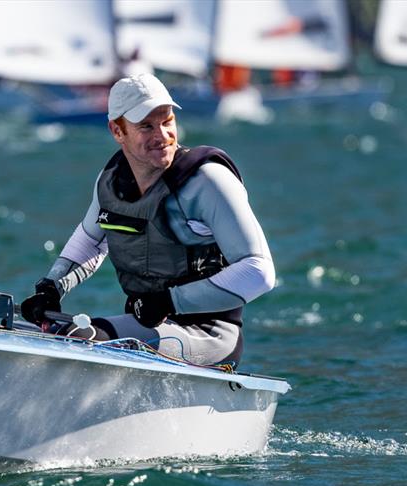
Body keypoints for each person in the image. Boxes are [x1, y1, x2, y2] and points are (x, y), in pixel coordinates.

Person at [20, 73, 275, 368]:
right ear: (117, 131)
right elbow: (91, 241)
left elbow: (260, 272)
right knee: (48, 332)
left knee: (84, 337)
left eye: (167, 121)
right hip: (147, 328)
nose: (162, 135)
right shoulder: (111, 181)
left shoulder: (208, 181)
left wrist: (169, 302)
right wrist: (50, 290)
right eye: (146, 126)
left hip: (208, 337)